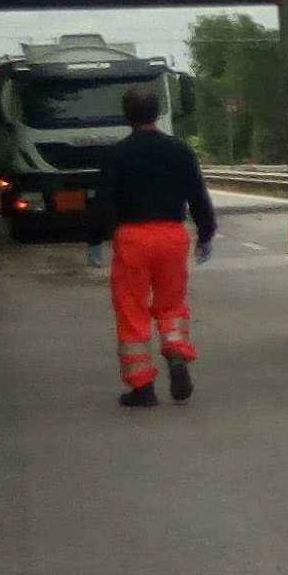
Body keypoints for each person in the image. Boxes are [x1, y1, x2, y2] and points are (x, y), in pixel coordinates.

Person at [89, 85, 214, 407]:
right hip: (172, 235)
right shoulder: (181, 150)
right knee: (171, 304)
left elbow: (104, 201)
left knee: (132, 308)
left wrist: (95, 238)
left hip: (133, 237)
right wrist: (206, 232)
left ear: (127, 116)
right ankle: (175, 351)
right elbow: (198, 195)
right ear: (158, 114)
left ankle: (142, 386)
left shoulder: (117, 154)